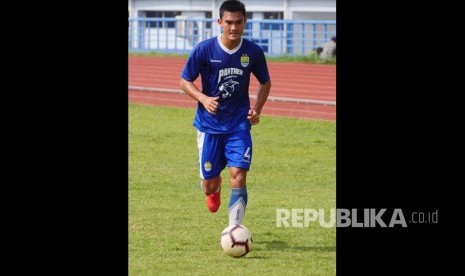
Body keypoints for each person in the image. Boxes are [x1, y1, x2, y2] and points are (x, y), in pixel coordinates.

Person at [180, 0, 271, 226]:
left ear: (245, 22)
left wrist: (256, 110)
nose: (233, 27)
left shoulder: (253, 51)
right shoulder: (204, 49)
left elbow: (265, 82)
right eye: (228, 22)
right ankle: (213, 189)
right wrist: (203, 98)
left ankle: (235, 228)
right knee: (209, 184)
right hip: (209, 126)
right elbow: (184, 81)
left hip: (239, 125)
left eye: (238, 22)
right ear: (219, 22)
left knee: (239, 174)